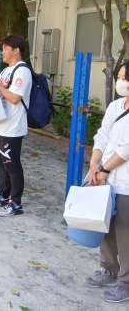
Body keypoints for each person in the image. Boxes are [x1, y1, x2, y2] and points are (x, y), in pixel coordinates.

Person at [85, 62, 129, 304]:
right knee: (106, 227)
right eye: (119, 77)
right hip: (105, 178)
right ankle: (109, 269)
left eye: (125, 78)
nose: (120, 82)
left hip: (125, 182)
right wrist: (94, 162)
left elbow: (126, 149)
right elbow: (102, 135)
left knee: (125, 234)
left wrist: (103, 169)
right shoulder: (115, 106)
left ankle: (125, 283)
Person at [0, 35, 32, 217]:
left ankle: (16, 203)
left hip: (12, 127)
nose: (2, 52)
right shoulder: (5, 71)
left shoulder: (22, 71)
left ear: (16, 50)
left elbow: (14, 98)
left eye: (5, 48)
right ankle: (3, 195)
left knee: (12, 165)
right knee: (2, 163)